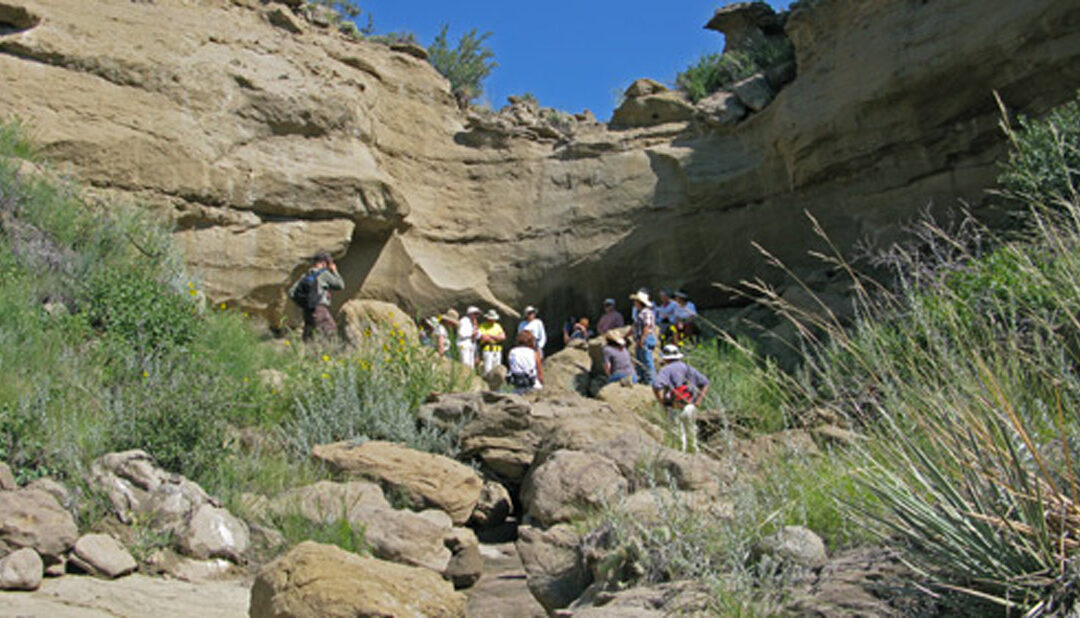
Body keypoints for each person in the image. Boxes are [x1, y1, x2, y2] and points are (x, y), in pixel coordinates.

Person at [652, 344, 710, 452]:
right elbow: (705, 383)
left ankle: (681, 460)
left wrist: (661, 401)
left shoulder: (666, 370)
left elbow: (656, 386)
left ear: (665, 358)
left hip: (674, 408)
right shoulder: (688, 368)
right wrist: (698, 401)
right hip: (690, 406)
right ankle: (695, 459)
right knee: (692, 436)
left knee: (678, 439)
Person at [288, 250, 345, 341]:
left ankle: (308, 354)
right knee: (331, 333)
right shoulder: (323, 274)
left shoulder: (305, 276)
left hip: (307, 310)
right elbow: (340, 285)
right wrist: (334, 271)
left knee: (309, 336)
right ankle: (331, 353)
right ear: (323, 263)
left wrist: (305, 303)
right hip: (320, 309)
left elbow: (291, 292)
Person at [630, 290, 657, 384]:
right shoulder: (639, 313)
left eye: (636, 301)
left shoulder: (646, 313)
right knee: (640, 359)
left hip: (646, 338)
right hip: (640, 338)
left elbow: (647, 326)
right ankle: (642, 378)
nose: (634, 303)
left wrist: (642, 339)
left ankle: (651, 381)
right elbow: (635, 326)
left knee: (647, 360)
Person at [478, 309, 506, 374]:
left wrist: (491, 336)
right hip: (488, 349)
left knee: (497, 369)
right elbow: (484, 338)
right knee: (487, 369)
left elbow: (503, 337)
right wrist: (497, 337)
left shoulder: (498, 326)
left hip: (497, 350)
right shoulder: (483, 326)